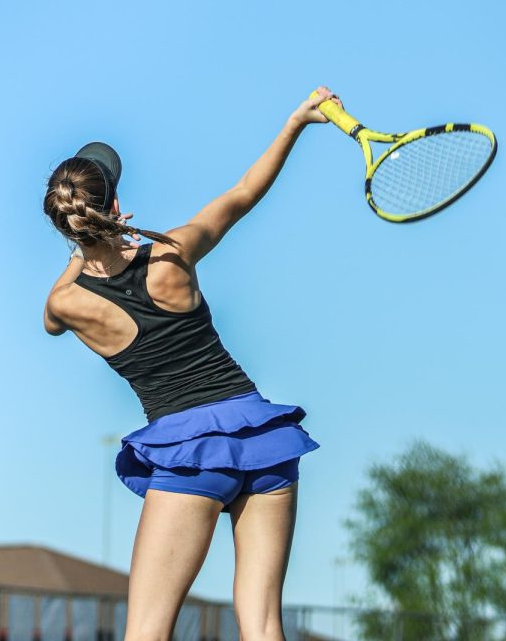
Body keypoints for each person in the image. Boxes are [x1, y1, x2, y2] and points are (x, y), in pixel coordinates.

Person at [42, 87, 341, 641]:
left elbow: (52, 319)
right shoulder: (174, 252)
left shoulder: (68, 302)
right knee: (264, 623)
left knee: (147, 634)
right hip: (261, 434)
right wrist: (298, 119)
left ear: (65, 225)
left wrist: (88, 247)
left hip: (187, 451)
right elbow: (246, 192)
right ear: (112, 206)